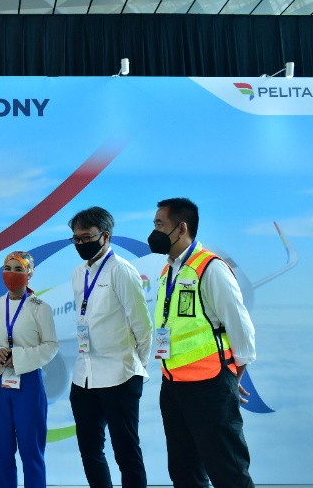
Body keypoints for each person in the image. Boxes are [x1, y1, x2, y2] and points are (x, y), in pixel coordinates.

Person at [149, 198, 256, 487]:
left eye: (160, 224)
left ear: (181, 228)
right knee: (184, 471)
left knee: (227, 469)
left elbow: (240, 327)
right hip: (173, 385)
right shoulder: (168, 270)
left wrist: (232, 378)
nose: (154, 230)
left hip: (210, 386)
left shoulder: (210, 267)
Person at [68, 206, 152, 488]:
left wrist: (137, 367)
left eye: (86, 237)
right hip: (84, 377)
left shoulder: (123, 270)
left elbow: (143, 326)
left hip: (120, 376)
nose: (80, 243)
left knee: (126, 453)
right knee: (90, 452)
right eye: (76, 239)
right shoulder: (78, 273)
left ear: (105, 236)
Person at [0, 251, 59, 488]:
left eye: (18, 269)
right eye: (8, 268)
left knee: (31, 451)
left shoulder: (39, 307)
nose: (12, 274)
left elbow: (51, 346)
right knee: (2, 451)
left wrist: (20, 357)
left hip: (28, 383)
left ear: (29, 274)